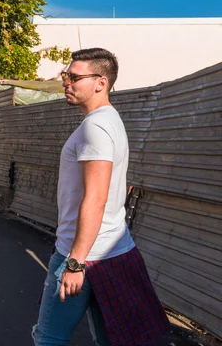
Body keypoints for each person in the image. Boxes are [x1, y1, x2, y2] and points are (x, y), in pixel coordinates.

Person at [32, 48, 169, 346]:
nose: (67, 82)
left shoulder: (96, 126)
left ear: (100, 82)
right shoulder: (109, 120)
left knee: (48, 337)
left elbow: (96, 197)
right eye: (66, 76)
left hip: (81, 253)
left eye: (74, 77)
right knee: (112, 338)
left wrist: (75, 263)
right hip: (110, 250)